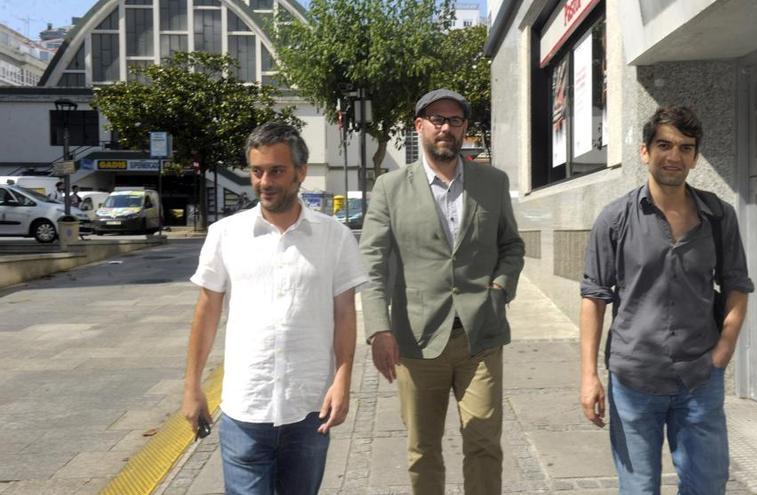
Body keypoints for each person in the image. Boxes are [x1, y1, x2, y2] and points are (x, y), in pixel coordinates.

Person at [182, 122, 368, 495]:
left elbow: (345, 315)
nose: (265, 181)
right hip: (245, 408)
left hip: (308, 406)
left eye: (277, 170)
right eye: (257, 171)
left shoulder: (335, 237)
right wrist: (192, 386)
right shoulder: (226, 235)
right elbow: (207, 312)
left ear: (300, 172)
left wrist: (343, 379)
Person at [579, 106, 754, 494]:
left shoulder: (718, 216)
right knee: (639, 488)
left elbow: (736, 284)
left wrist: (723, 349)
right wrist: (589, 375)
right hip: (634, 379)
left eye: (685, 148)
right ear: (645, 151)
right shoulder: (614, 219)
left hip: (698, 378)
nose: (674, 156)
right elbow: (594, 297)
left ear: (694, 157)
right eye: (664, 145)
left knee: (707, 484)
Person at [359, 88, 525, 495]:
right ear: (419, 127)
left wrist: (501, 288)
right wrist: (379, 329)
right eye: (437, 119)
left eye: (454, 120)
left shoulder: (492, 182)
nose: (445, 128)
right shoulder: (390, 188)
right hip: (415, 341)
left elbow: (511, 246)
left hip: (480, 336)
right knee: (423, 449)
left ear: (465, 128)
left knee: (484, 443)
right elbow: (372, 264)